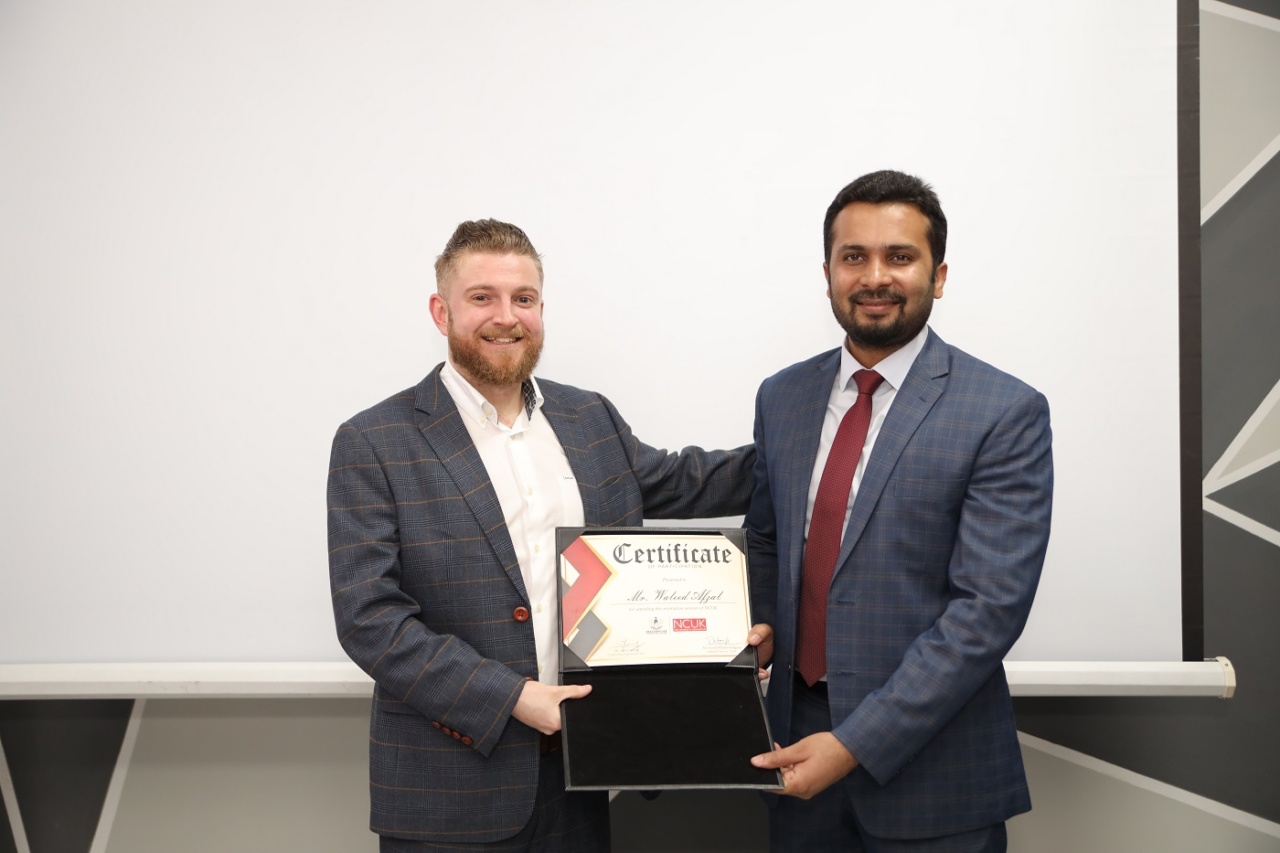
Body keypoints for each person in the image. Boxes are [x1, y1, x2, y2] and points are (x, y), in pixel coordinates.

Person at [328, 219, 753, 852]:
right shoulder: (374, 442)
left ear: (541, 309)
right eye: (483, 298)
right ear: (440, 310)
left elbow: (687, 481)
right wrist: (516, 699)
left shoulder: (589, 418)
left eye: (523, 298)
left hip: (583, 775)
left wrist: (813, 442)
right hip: (448, 789)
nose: (506, 317)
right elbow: (370, 620)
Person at [744, 170, 1053, 852]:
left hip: (934, 777)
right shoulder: (782, 396)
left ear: (938, 275)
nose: (874, 276)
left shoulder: (1003, 411)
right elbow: (766, 539)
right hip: (793, 759)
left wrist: (854, 743)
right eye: (854, 257)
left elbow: (987, 611)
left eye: (900, 256)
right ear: (827, 272)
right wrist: (762, 619)